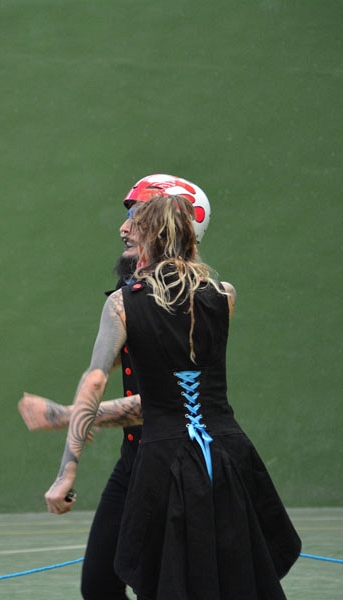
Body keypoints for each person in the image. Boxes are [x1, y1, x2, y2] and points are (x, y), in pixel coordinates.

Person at [44, 195, 301, 599]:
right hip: (229, 456)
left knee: (172, 584)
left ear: (152, 238)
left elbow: (94, 382)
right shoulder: (224, 293)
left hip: (164, 461)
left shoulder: (121, 304)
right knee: (235, 581)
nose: (124, 231)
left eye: (134, 224)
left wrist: (66, 472)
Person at [20, 175, 211, 600]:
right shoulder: (126, 300)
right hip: (136, 457)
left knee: (164, 587)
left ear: (168, 225)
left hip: (183, 462)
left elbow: (170, 403)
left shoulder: (206, 301)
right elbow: (106, 379)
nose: (123, 228)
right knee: (100, 584)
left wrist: (65, 416)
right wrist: (68, 456)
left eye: (135, 217)